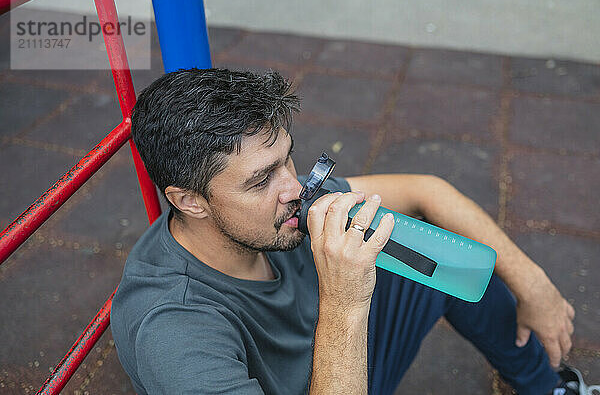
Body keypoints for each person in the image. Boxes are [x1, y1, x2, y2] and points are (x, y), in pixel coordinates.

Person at [110, 68, 591, 395]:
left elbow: (428, 191)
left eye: (288, 160)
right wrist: (345, 300)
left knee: (419, 244)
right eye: (261, 180)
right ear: (189, 200)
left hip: (344, 356)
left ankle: (545, 386)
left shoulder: (277, 210)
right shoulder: (173, 328)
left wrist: (535, 286)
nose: (294, 189)